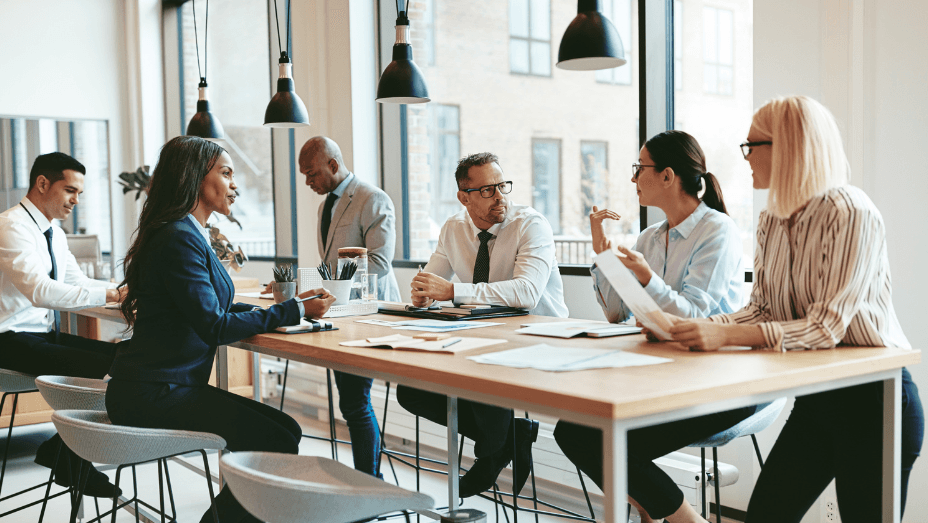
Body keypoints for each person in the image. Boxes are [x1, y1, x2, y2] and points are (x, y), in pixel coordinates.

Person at [664, 96, 924, 522]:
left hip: (875, 403)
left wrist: (723, 335)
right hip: (818, 400)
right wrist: (693, 327)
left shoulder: (850, 212)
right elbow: (761, 310)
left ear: (787, 148)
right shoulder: (771, 219)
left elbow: (825, 328)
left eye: (751, 146)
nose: (745, 156)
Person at [105, 136, 335, 523]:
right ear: (195, 178)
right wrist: (293, 308)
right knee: (277, 438)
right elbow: (214, 325)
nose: (235, 185)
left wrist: (290, 310)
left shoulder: (185, 231)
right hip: (154, 391)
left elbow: (215, 307)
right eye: (226, 173)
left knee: (285, 430)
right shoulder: (179, 237)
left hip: (163, 384)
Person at [553, 131, 752, 523]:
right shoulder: (650, 237)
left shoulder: (718, 231)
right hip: (662, 371)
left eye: (639, 168)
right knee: (573, 431)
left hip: (718, 378)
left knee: (604, 440)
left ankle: (681, 519)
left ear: (667, 176)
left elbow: (695, 316)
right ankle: (661, 512)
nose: (633, 179)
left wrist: (647, 280)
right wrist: (602, 253)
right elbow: (616, 314)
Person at [398, 152, 567, 499]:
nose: (501, 197)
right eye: (488, 190)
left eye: (503, 185)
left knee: (481, 370)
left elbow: (527, 293)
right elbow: (432, 280)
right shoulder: (453, 228)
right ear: (464, 197)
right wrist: (423, 295)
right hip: (483, 335)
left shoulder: (530, 224)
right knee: (410, 388)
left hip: (540, 338)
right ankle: (506, 439)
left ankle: (492, 451)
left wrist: (451, 291)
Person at [0, 152, 124, 497]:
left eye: (80, 194)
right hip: (8, 338)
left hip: (39, 334)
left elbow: (77, 281)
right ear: (42, 183)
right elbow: (40, 291)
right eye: (71, 190)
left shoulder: (54, 232)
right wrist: (113, 294)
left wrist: (125, 292)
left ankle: (63, 449)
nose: (76, 201)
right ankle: (69, 453)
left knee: (126, 358)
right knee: (107, 367)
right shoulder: (11, 226)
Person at [298, 135, 401, 478]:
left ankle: (370, 483)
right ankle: (369, 482)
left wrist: (331, 282)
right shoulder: (325, 205)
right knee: (351, 402)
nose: (308, 182)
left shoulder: (373, 199)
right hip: (337, 317)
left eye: (311, 173)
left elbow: (380, 263)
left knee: (355, 403)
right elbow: (328, 261)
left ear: (332, 164)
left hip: (366, 316)